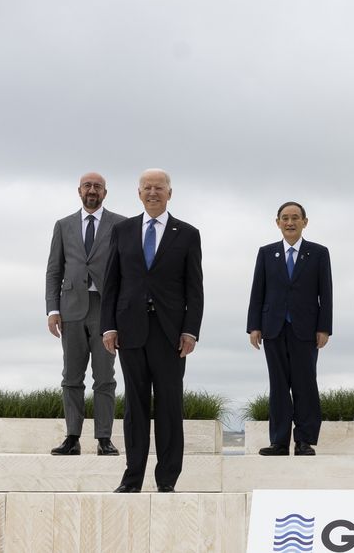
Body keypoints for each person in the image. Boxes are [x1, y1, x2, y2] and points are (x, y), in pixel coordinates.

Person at [101, 169, 203, 493]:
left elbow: (194, 289)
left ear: (170, 193)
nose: (153, 192)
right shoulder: (123, 230)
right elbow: (111, 283)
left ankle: (167, 480)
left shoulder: (187, 234)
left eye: (159, 188)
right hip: (130, 331)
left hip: (170, 333)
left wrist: (191, 331)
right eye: (147, 188)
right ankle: (132, 479)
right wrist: (108, 327)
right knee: (135, 407)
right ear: (139, 193)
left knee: (170, 406)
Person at [45, 172, 126, 456]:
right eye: (87, 186)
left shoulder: (121, 224)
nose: (92, 190)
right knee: (71, 376)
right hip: (71, 309)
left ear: (105, 192)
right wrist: (53, 309)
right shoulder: (63, 225)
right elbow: (54, 269)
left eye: (98, 187)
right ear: (79, 190)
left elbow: (128, 270)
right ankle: (72, 437)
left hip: (106, 309)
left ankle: (104, 437)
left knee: (105, 376)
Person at [247, 201, 333, 456]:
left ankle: (305, 440)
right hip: (272, 327)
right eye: (285, 218)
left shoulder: (318, 253)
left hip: (306, 329)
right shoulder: (266, 253)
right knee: (278, 385)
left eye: (295, 217)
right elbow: (257, 291)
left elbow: (326, 293)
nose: (290, 222)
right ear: (277, 222)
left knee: (305, 384)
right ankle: (279, 441)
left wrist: (324, 328)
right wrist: (254, 326)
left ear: (305, 222)